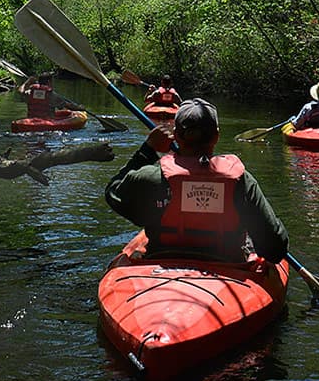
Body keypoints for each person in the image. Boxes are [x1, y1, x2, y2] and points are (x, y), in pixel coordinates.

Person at [105, 98, 288, 263]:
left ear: (176, 135)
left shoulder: (152, 178)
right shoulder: (242, 182)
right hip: (227, 269)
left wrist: (147, 150)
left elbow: (113, 191)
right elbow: (274, 250)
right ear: (216, 136)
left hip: (160, 266)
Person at [18, 72, 83, 118]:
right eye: (52, 81)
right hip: (46, 124)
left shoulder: (30, 92)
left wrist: (28, 81)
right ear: (49, 82)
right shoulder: (52, 95)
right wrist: (80, 108)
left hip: (31, 121)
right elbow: (69, 106)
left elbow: (20, 90)